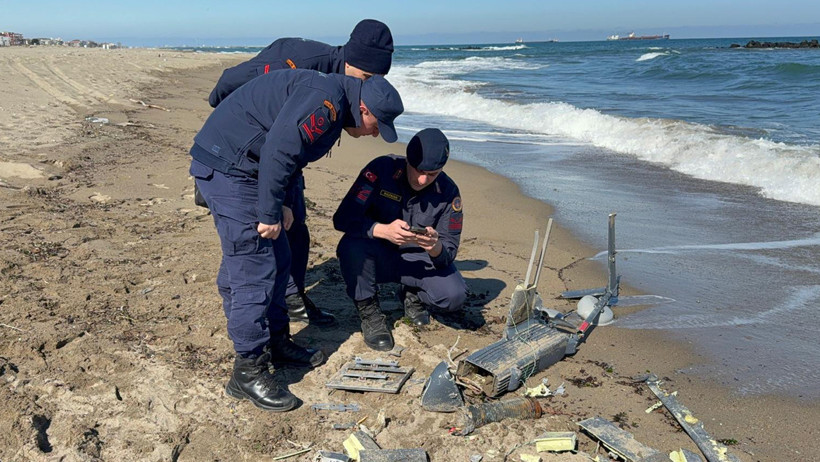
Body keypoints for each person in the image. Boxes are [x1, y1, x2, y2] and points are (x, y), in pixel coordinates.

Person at [190, 69, 403, 411]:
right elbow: (279, 149)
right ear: (364, 110)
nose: (373, 134)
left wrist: (285, 201)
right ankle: (248, 370)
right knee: (253, 270)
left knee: (279, 258)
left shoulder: (333, 99)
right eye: (376, 126)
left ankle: (277, 342)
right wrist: (269, 212)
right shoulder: (326, 102)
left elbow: (291, 156)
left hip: (250, 167)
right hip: (231, 167)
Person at [206, 19, 395, 327]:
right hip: (243, 153)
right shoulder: (299, 61)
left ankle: (292, 297)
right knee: (255, 232)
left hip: (286, 154)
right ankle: (278, 300)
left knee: (295, 223)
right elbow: (230, 82)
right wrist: (229, 142)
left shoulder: (345, 89)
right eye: (365, 77)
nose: (367, 86)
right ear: (350, 60)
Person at [333, 128, 467, 351]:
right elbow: (342, 219)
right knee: (350, 247)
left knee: (454, 296)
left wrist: (435, 247)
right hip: (377, 254)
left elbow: (448, 253)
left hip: (417, 260)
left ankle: (412, 294)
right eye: (418, 170)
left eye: (432, 174)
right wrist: (381, 230)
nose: (423, 179)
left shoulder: (449, 192)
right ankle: (370, 313)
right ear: (408, 160)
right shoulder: (380, 170)